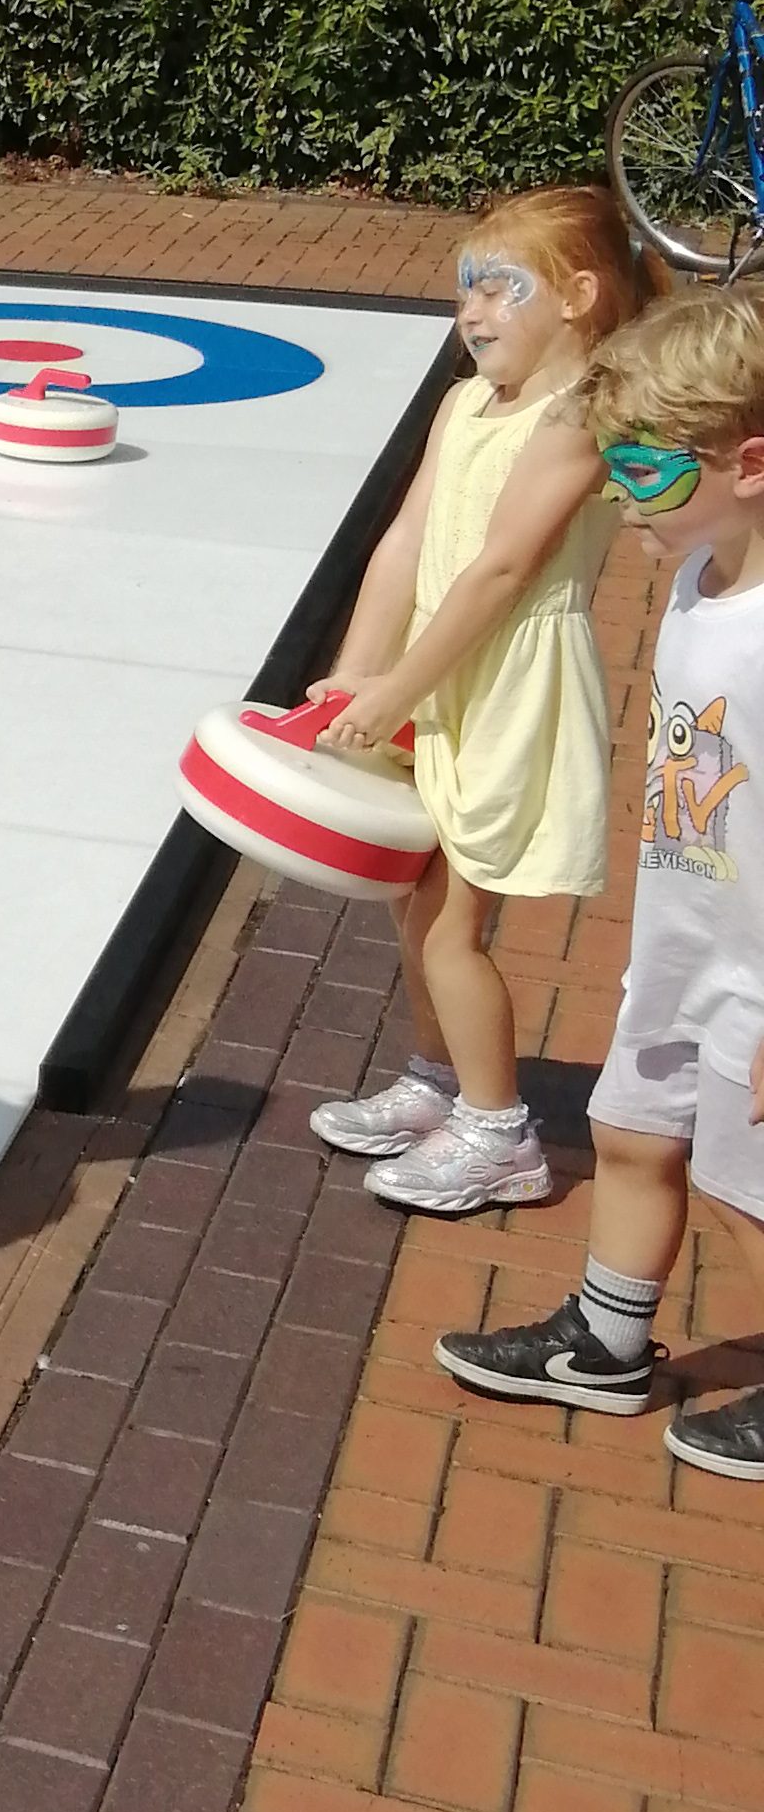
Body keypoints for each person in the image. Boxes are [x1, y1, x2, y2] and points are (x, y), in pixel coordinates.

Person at [435, 284, 764, 1479]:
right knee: (631, 1130)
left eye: (648, 472)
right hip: (689, 934)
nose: (621, 496)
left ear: (751, 463)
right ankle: (608, 1341)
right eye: (614, 468)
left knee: (749, 1190)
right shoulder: (696, 577)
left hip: (761, 973)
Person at [307, 186, 655, 1213]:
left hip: (505, 688)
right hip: (438, 676)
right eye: (465, 291)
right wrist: (356, 672)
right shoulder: (466, 403)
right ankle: (437, 1080)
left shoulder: (578, 419)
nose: (472, 311)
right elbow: (408, 542)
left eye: (500, 288)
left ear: (581, 297)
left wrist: (400, 687)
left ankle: (500, 1133)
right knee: (416, 903)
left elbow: (504, 571)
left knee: (455, 924)